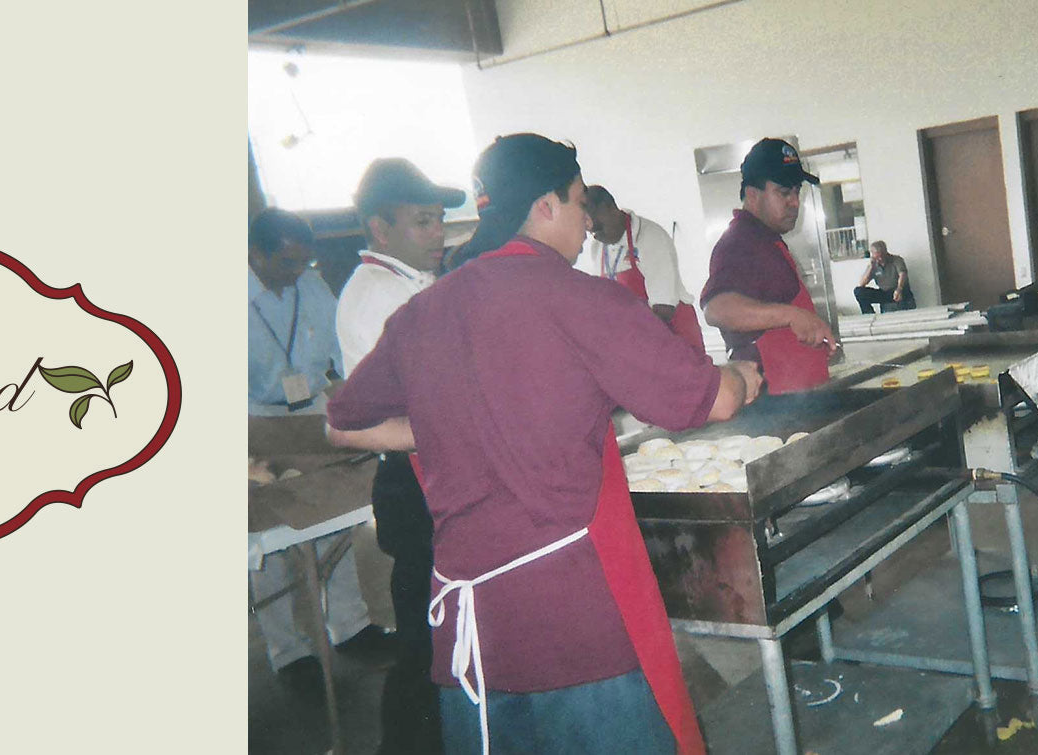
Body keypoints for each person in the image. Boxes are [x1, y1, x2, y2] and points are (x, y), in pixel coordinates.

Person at [326, 133, 764, 755]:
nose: (588, 221)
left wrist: (455, 427)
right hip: (575, 628)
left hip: (471, 640)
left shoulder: (423, 312)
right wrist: (741, 377)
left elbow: (342, 423)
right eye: (579, 202)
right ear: (544, 205)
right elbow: (711, 400)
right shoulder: (578, 297)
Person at [339, 157, 465, 753]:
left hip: (432, 472)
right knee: (426, 636)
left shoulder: (414, 282)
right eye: (422, 221)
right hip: (415, 479)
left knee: (437, 629)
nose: (437, 232)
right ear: (379, 229)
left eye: (439, 219)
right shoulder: (380, 294)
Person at [246, 208, 391, 696]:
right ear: (255, 254)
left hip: (311, 412)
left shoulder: (311, 287)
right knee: (271, 541)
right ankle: (289, 653)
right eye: (286, 262)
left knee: (336, 518)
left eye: (303, 262)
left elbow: (341, 354)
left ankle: (350, 626)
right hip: (255, 421)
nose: (297, 272)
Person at [700, 137, 838, 394]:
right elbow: (717, 309)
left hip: (800, 397)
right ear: (753, 195)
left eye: (796, 191)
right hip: (774, 405)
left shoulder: (767, 241)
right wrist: (792, 315)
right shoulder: (740, 243)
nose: (794, 202)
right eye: (784, 193)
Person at [574, 185, 706, 350]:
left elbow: (663, 309)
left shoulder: (649, 236)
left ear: (609, 208)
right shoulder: (598, 247)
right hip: (635, 340)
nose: (597, 237)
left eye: (599, 228)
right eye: (591, 233)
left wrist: (629, 342)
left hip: (672, 335)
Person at [854, 240, 916, 313]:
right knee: (858, 291)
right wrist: (871, 267)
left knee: (904, 291)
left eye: (882, 256)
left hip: (898, 290)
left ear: (886, 252)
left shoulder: (896, 260)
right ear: (873, 255)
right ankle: (869, 314)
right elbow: (862, 284)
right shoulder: (873, 265)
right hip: (884, 292)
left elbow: (902, 274)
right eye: (877, 257)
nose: (880, 259)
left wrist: (899, 289)